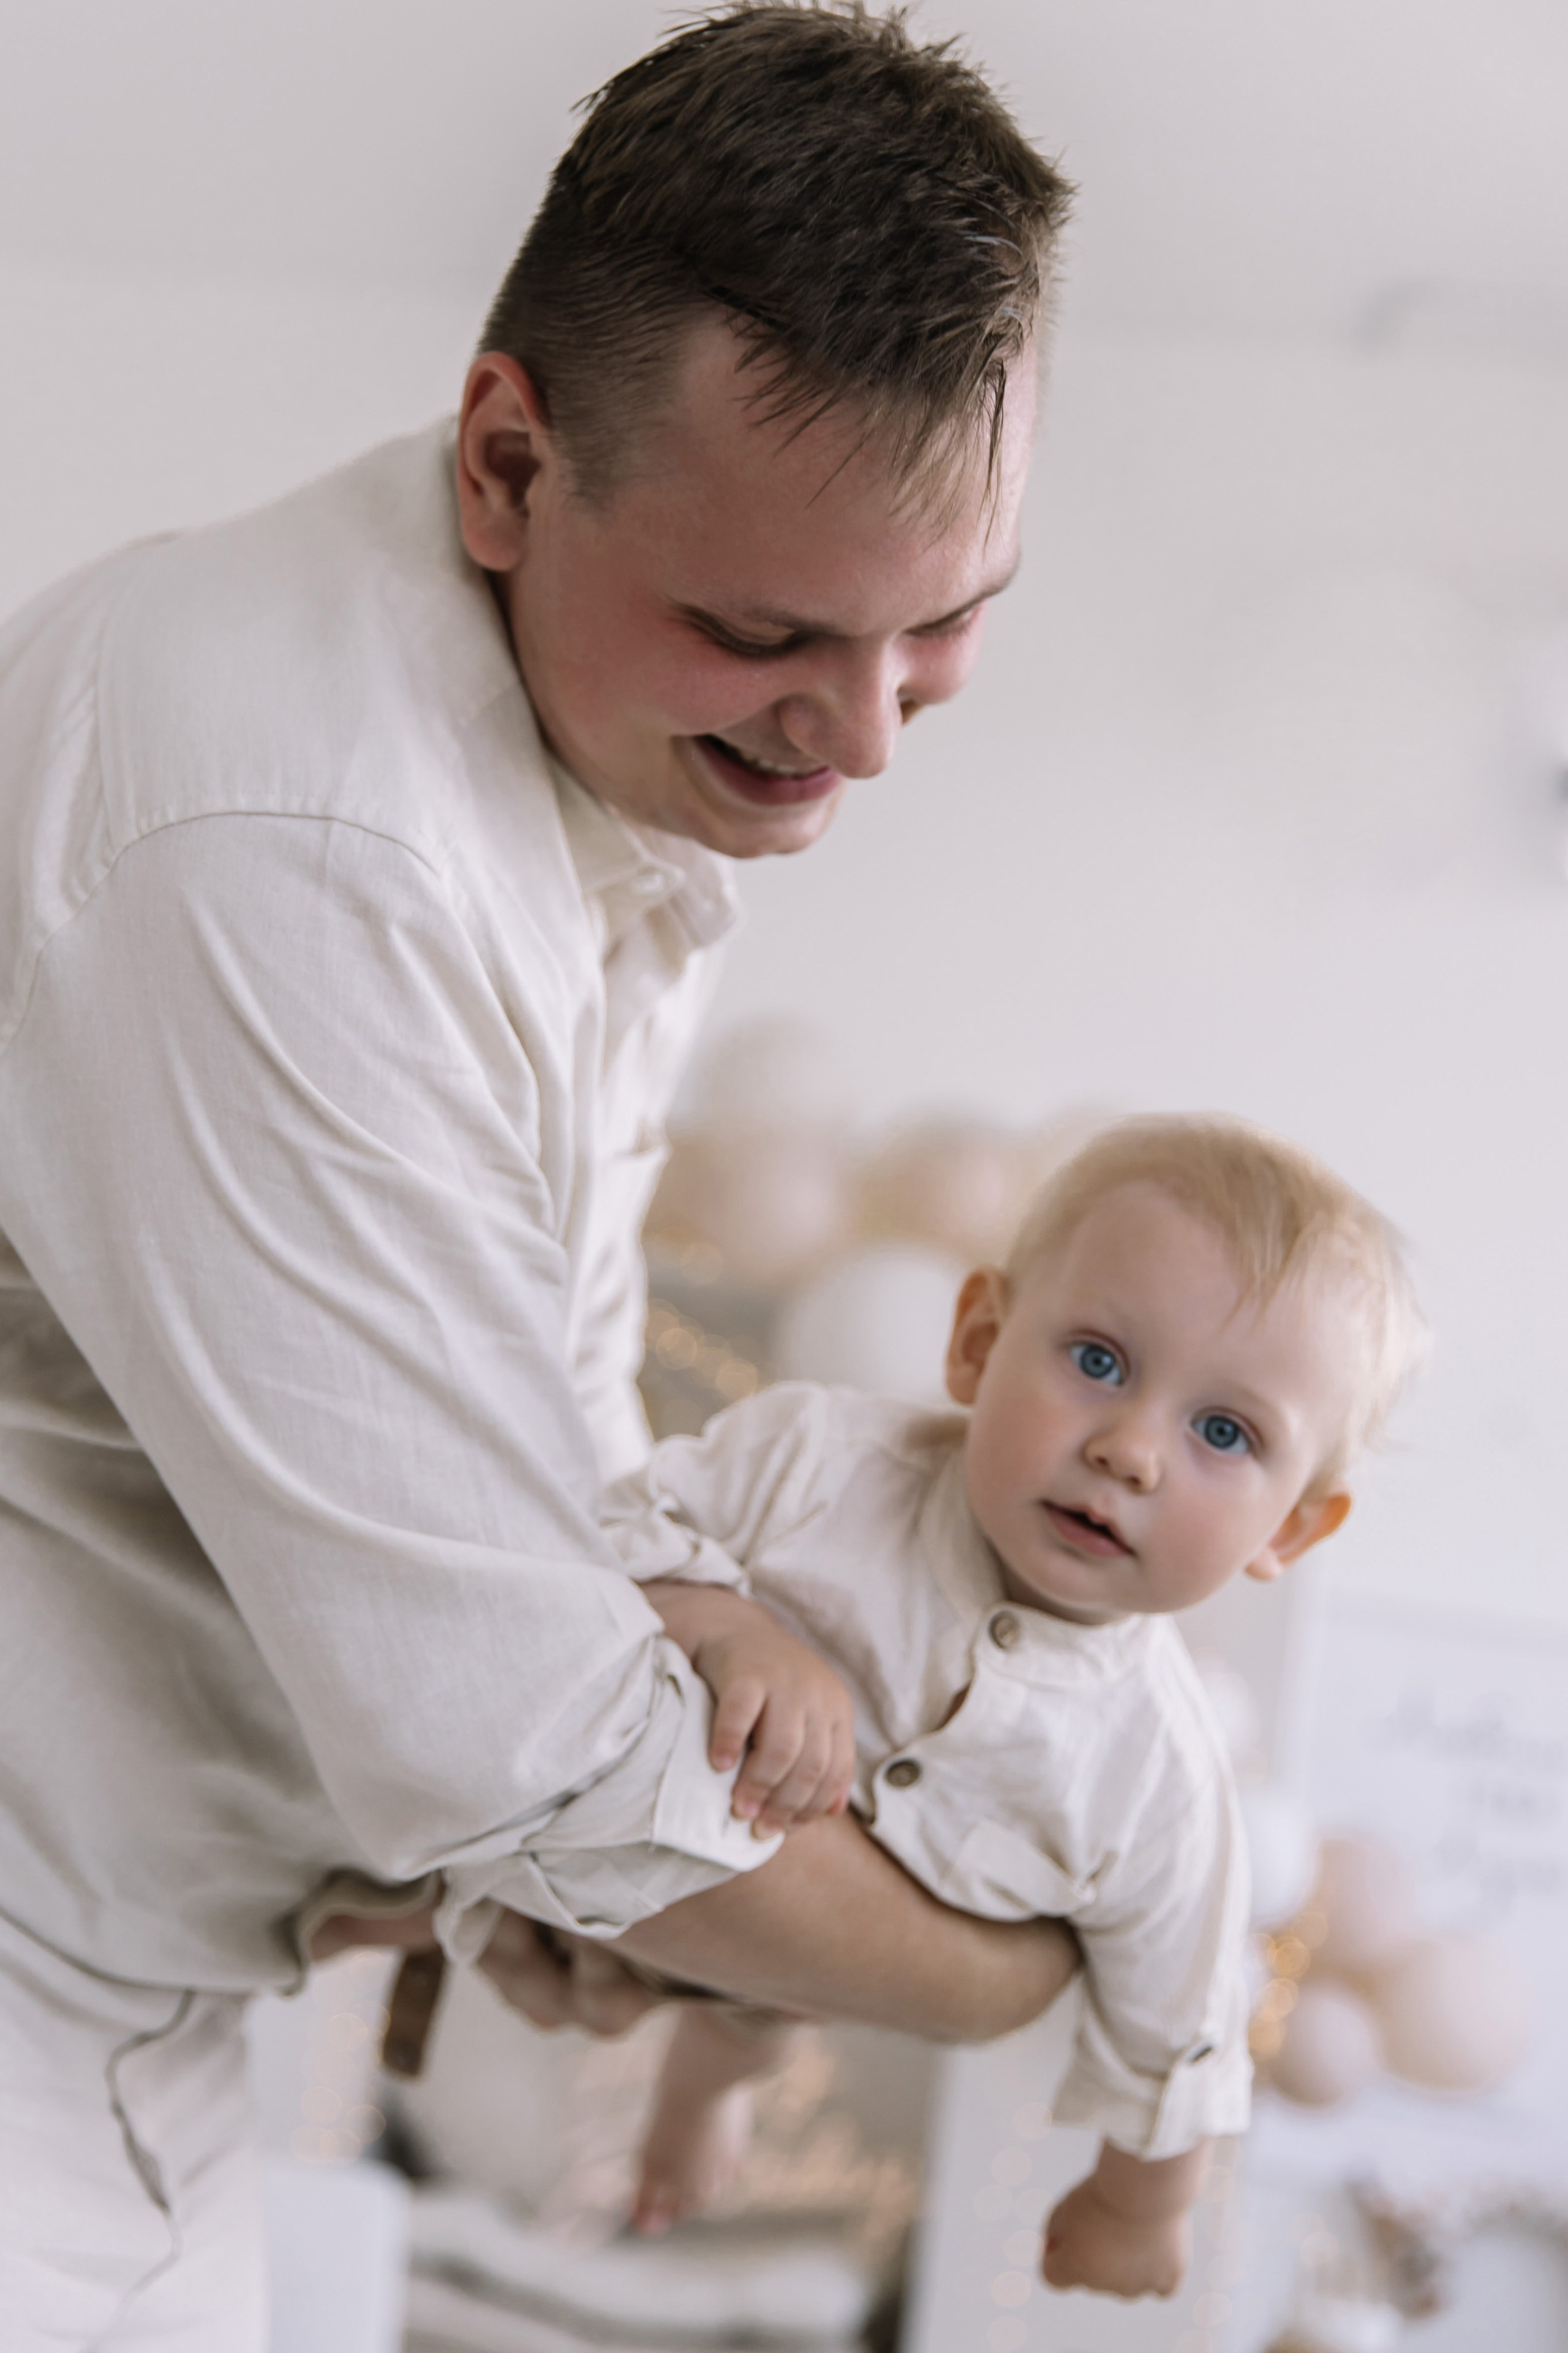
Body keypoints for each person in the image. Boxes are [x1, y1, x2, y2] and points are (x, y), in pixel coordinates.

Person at [0, 7, 1080, 2343]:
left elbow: (550, 1502)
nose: (864, 737)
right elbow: (513, 1726)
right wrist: (1032, 1975)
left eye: (951, 622)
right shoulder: (283, 832)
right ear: (510, 460)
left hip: (150, 2016)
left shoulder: (592, 795)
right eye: (766, 630)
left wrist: (559, 1888)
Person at [601, 1115, 1425, 2298]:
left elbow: (1182, 2019)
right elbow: (615, 1531)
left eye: (1225, 1433)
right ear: (980, 1343)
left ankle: (707, 2087)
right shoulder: (818, 1462)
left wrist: (1140, 2202)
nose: (1133, 1450)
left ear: (1290, 1526)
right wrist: (725, 1623)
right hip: (607, 1833)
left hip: (802, 1969)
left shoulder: (1162, 1777)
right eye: (1097, 1359)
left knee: (746, 2021)